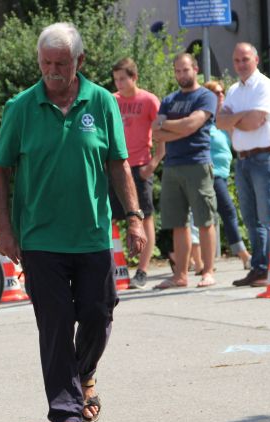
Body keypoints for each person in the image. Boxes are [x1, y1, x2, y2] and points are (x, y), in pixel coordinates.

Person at [0, 23, 146, 422]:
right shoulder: (21, 107)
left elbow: (118, 163)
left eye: (61, 63)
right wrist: (5, 229)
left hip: (93, 233)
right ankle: (65, 413)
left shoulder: (102, 101)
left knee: (99, 313)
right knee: (56, 324)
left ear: (80, 61)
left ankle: (84, 373)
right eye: (46, 63)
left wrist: (134, 217)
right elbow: (0, 171)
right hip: (40, 239)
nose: (52, 71)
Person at [217, 43, 270, 287]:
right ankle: (259, 268)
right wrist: (241, 118)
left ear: (256, 60)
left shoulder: (265, 85)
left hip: (264, 157)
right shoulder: (234, 90)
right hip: (243, 159)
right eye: (237, 60)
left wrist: (234, 119)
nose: (241, 64)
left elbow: (255, 122)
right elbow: (220, 122)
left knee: (268, 215)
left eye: (245, 59)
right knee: (251, 218)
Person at [151, 53, 218, 290]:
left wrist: (167, 125)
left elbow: (192, 125)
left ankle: (208, 272)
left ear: (195, 69)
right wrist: (180, 127)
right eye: (178, 71)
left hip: (197, 163)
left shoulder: (206, 96)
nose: (181, 75)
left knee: (205, 220)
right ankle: (180, 275)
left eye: (185, 70)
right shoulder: (169, 100)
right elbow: (155, 132)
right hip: (172, 165)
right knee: (177, 223)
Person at [109, 57, 165, 289]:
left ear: (134, 78)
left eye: (123, 79)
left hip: (140, 166)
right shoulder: (112, 100)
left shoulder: (149, 100)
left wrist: (154, 163)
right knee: (109, 217)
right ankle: (112, 268)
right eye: (116, 79)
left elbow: (162, 133)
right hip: (115, 167)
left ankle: (142, 270)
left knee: (144, 217)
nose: (119, 84)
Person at [203, 80, 252, 270]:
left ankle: (187, 257)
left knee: (207, 216)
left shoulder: (224, 120)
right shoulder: (204, 119)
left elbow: (236, 142)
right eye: (216, 93)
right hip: (210, 173)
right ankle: (243, 255)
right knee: (228, 211)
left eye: (222, 92)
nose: (221, 95)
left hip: (223, 173)